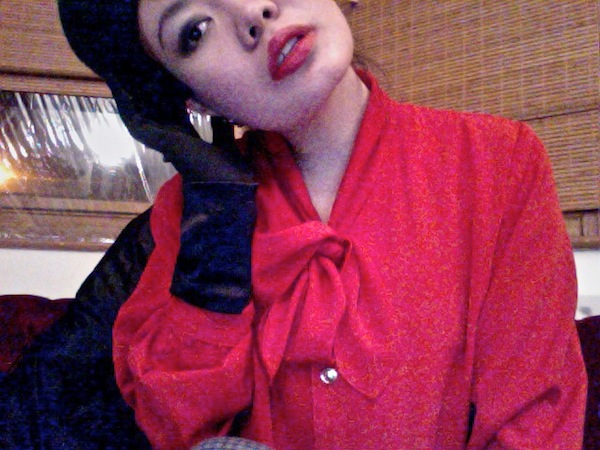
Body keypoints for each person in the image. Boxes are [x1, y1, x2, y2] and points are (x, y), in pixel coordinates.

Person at [2, 0, 587, 449]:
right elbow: (178, 429)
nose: (252, 13)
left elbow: (536, 425)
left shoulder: (498, 161)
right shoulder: (191, 213)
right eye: (194, 31)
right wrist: (218, 219)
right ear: (193, 101)